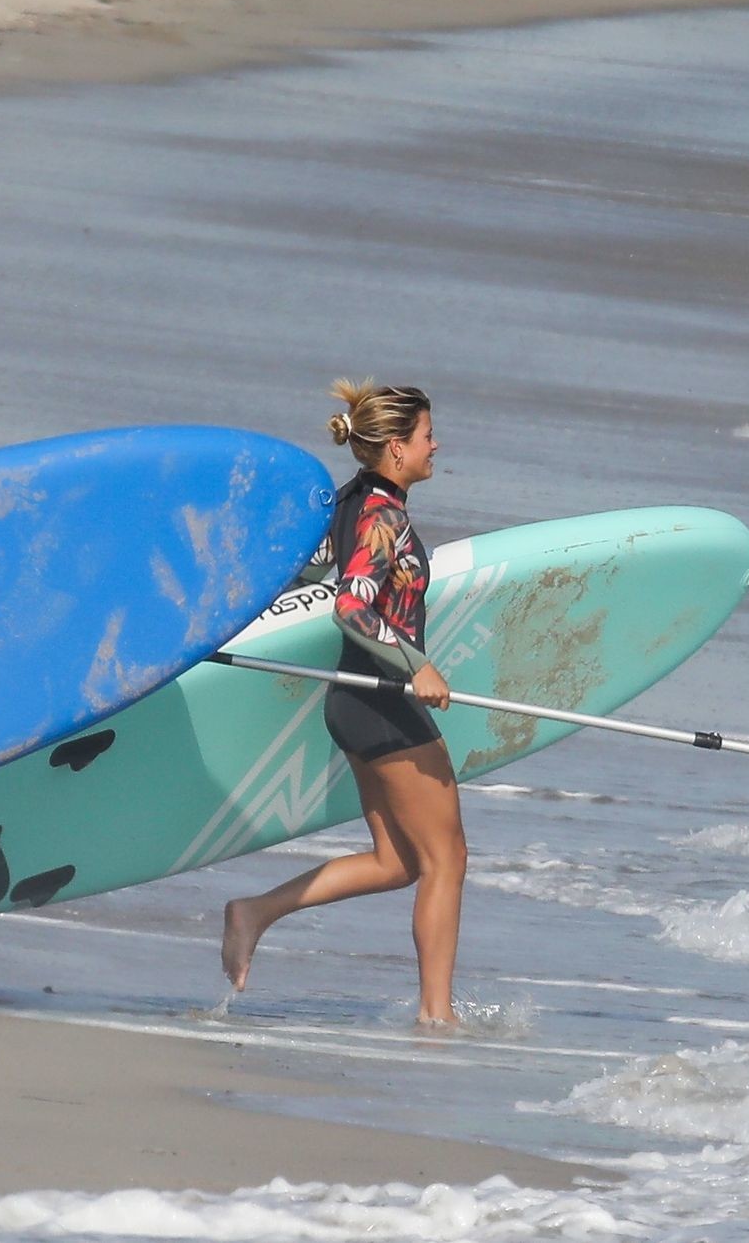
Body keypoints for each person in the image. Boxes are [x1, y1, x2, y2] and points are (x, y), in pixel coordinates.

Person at [219, 379, 464, 1027]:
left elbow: (304, 579)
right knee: (446, 860)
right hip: (384, 699)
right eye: (426, 436)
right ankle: (437, 1016)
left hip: (352, 701)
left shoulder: (349, 502)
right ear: (395, 447)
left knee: (398, 862)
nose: (435, 446)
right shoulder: (385, 517)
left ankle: (255, 912)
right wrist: (418, 664)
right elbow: (351, 608)